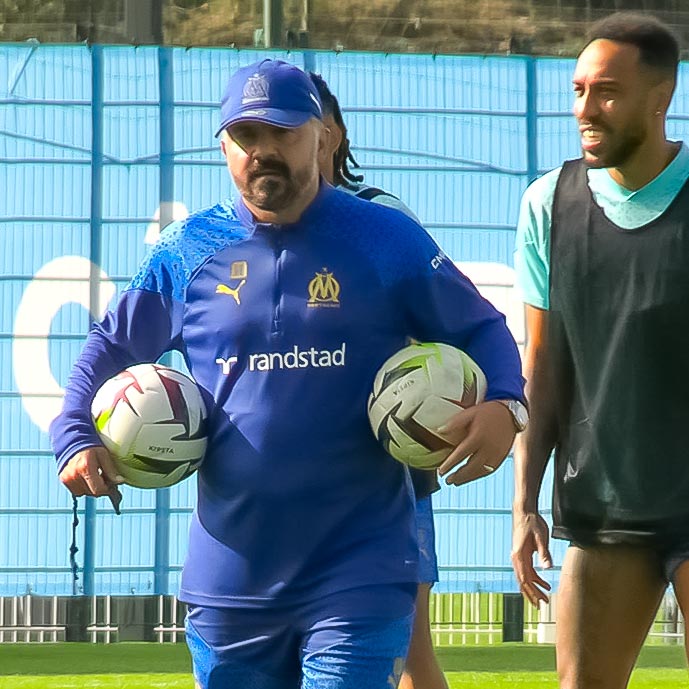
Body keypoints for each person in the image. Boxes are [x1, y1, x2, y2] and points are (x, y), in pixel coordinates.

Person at [52, 58, 526, 689]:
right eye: (246, 137)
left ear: (321, 137)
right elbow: (108, 346)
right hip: (230, 579)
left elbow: (482, 328)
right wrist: (75, 436)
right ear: (223, 145)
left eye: (282, 133)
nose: (262, 152)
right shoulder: (185, 251)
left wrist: (505, 406)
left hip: (360, 568)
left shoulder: (386, 239)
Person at [512, 12, 689, 689]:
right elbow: (542, 370)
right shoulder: (546, 204)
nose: (585, 108)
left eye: (606, 91)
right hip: (607, 499)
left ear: (660, 96)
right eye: (578, 90)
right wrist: (524, 501)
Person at [309, 70, 446, 689]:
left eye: (292, 125)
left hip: (384, 474)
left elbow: (439, 327)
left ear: (330, 135)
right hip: (289, 477)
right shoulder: (248, 231)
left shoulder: (382, 219)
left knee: (409, 658)